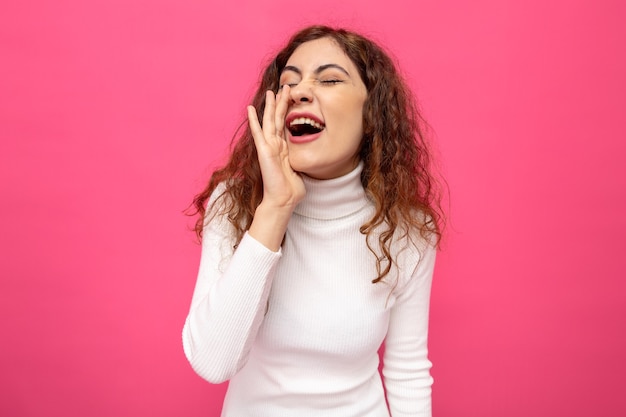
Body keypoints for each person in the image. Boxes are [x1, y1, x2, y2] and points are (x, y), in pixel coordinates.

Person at [182, 25, 444, 417]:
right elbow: (214, 363)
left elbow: (407, 372)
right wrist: (275, 207)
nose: (300, 92)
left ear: (372, 114)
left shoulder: (408, 229)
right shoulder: (236, 206)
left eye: (330, 79)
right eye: (289, 82)